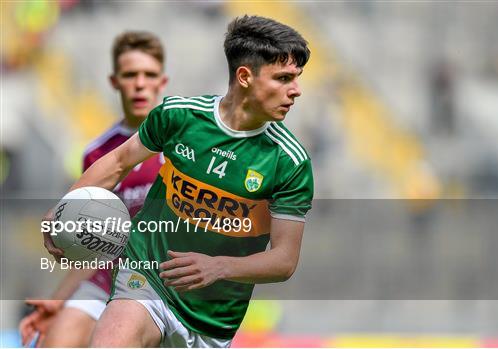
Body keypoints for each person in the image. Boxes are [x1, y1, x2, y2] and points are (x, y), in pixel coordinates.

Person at [43, 15, 313, 348]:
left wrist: (219, 267)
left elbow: (284, 260)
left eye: (296, 78)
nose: (296, 90)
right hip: (147, 277)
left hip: (211, 319)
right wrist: (64, 208)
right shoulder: (180, 116)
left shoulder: (290, 161)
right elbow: (117, 161)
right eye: (283, 78)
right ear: (245, 76)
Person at [21, 31, 168, 347]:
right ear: (114, 81)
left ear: (162, 82)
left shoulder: (183, 143)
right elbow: (95, 246)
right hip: (109, 278)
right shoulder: (97, 153)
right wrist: (58, 301)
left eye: (149, 75)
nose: (140, 84)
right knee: (55, 342)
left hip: (167, 283)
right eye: (130, 75)